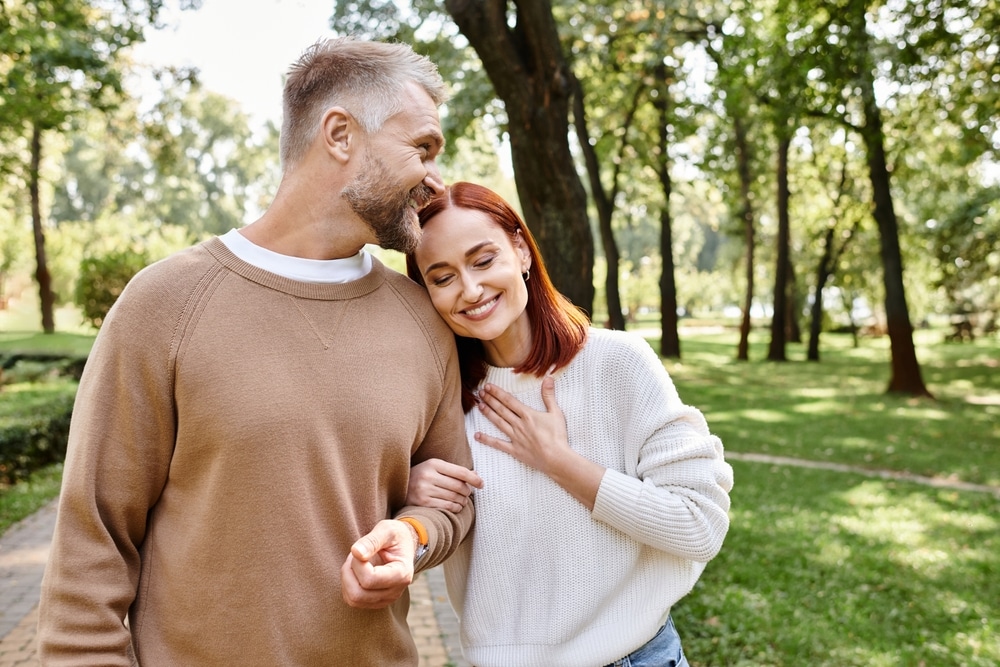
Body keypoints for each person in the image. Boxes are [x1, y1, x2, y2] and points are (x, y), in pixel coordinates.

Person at [37, 37, 474, 666]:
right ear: (341, 135)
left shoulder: (420, 319)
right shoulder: (166, 303)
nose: (435, 178)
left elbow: (449, 502)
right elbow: (94, 537)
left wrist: (414, 533)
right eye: (422, 147)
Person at [403, 181, 734, 667]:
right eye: (442, 277)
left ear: (520, 250)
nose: (470, 290)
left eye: (482, 260)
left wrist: (561, 463)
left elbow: (699, 525)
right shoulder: (439, 399)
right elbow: (415, 533)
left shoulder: (618, 364)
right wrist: (409, 492)